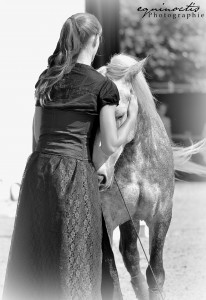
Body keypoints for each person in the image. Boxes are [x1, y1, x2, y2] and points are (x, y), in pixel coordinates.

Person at [2, 13, 138, 300]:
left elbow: (37, 134)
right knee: (75, 255)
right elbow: (112, 143)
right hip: (74, 175)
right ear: (96, 39)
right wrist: (132, 118)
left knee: (39, 253)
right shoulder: (103, 87)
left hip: (39, 171)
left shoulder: (47, 78)